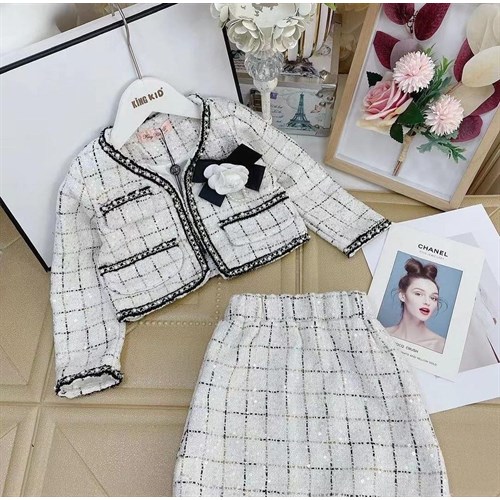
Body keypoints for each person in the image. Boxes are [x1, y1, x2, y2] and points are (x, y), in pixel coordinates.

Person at [387, 257, 446, 353]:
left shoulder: (440, 346)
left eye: (433, 298)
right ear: (402, 296)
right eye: (418, 294)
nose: (427, 302)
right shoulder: (382, 334)